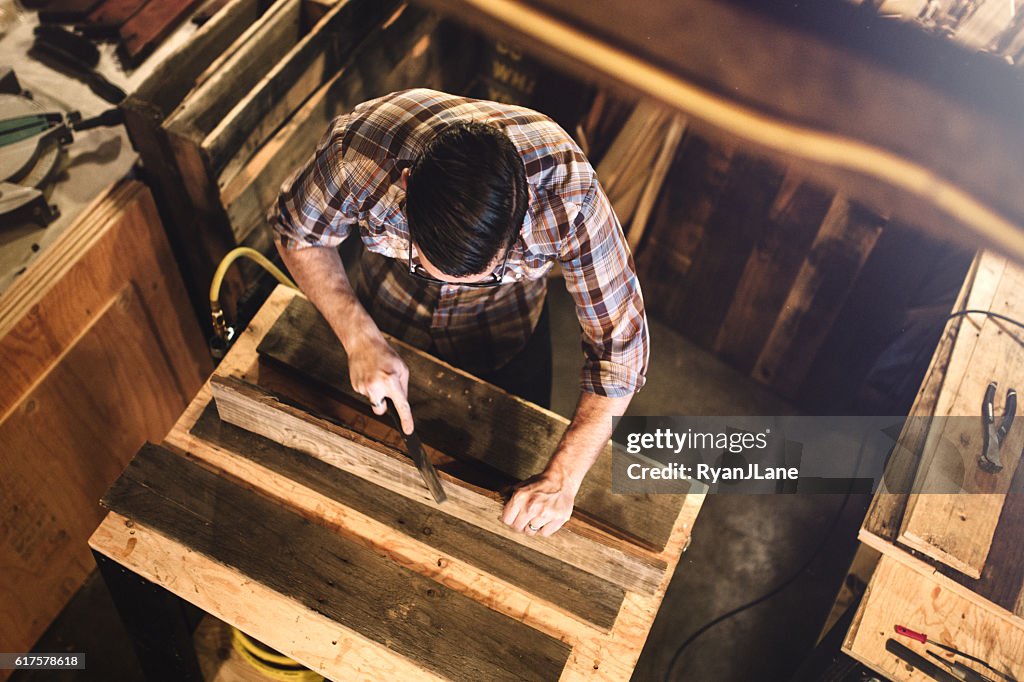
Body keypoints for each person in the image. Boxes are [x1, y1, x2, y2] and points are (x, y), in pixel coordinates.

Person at [271, 88, 649, 537]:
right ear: (407, 187)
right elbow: (297, 232)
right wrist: (358, 335)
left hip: (506, 338)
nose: (450, 288)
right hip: (389, 321)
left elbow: (620, 350)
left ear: (520, 217)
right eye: (429, 264)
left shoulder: (569, 196)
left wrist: (564, 476)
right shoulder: (357, 153)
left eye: (475, 276)